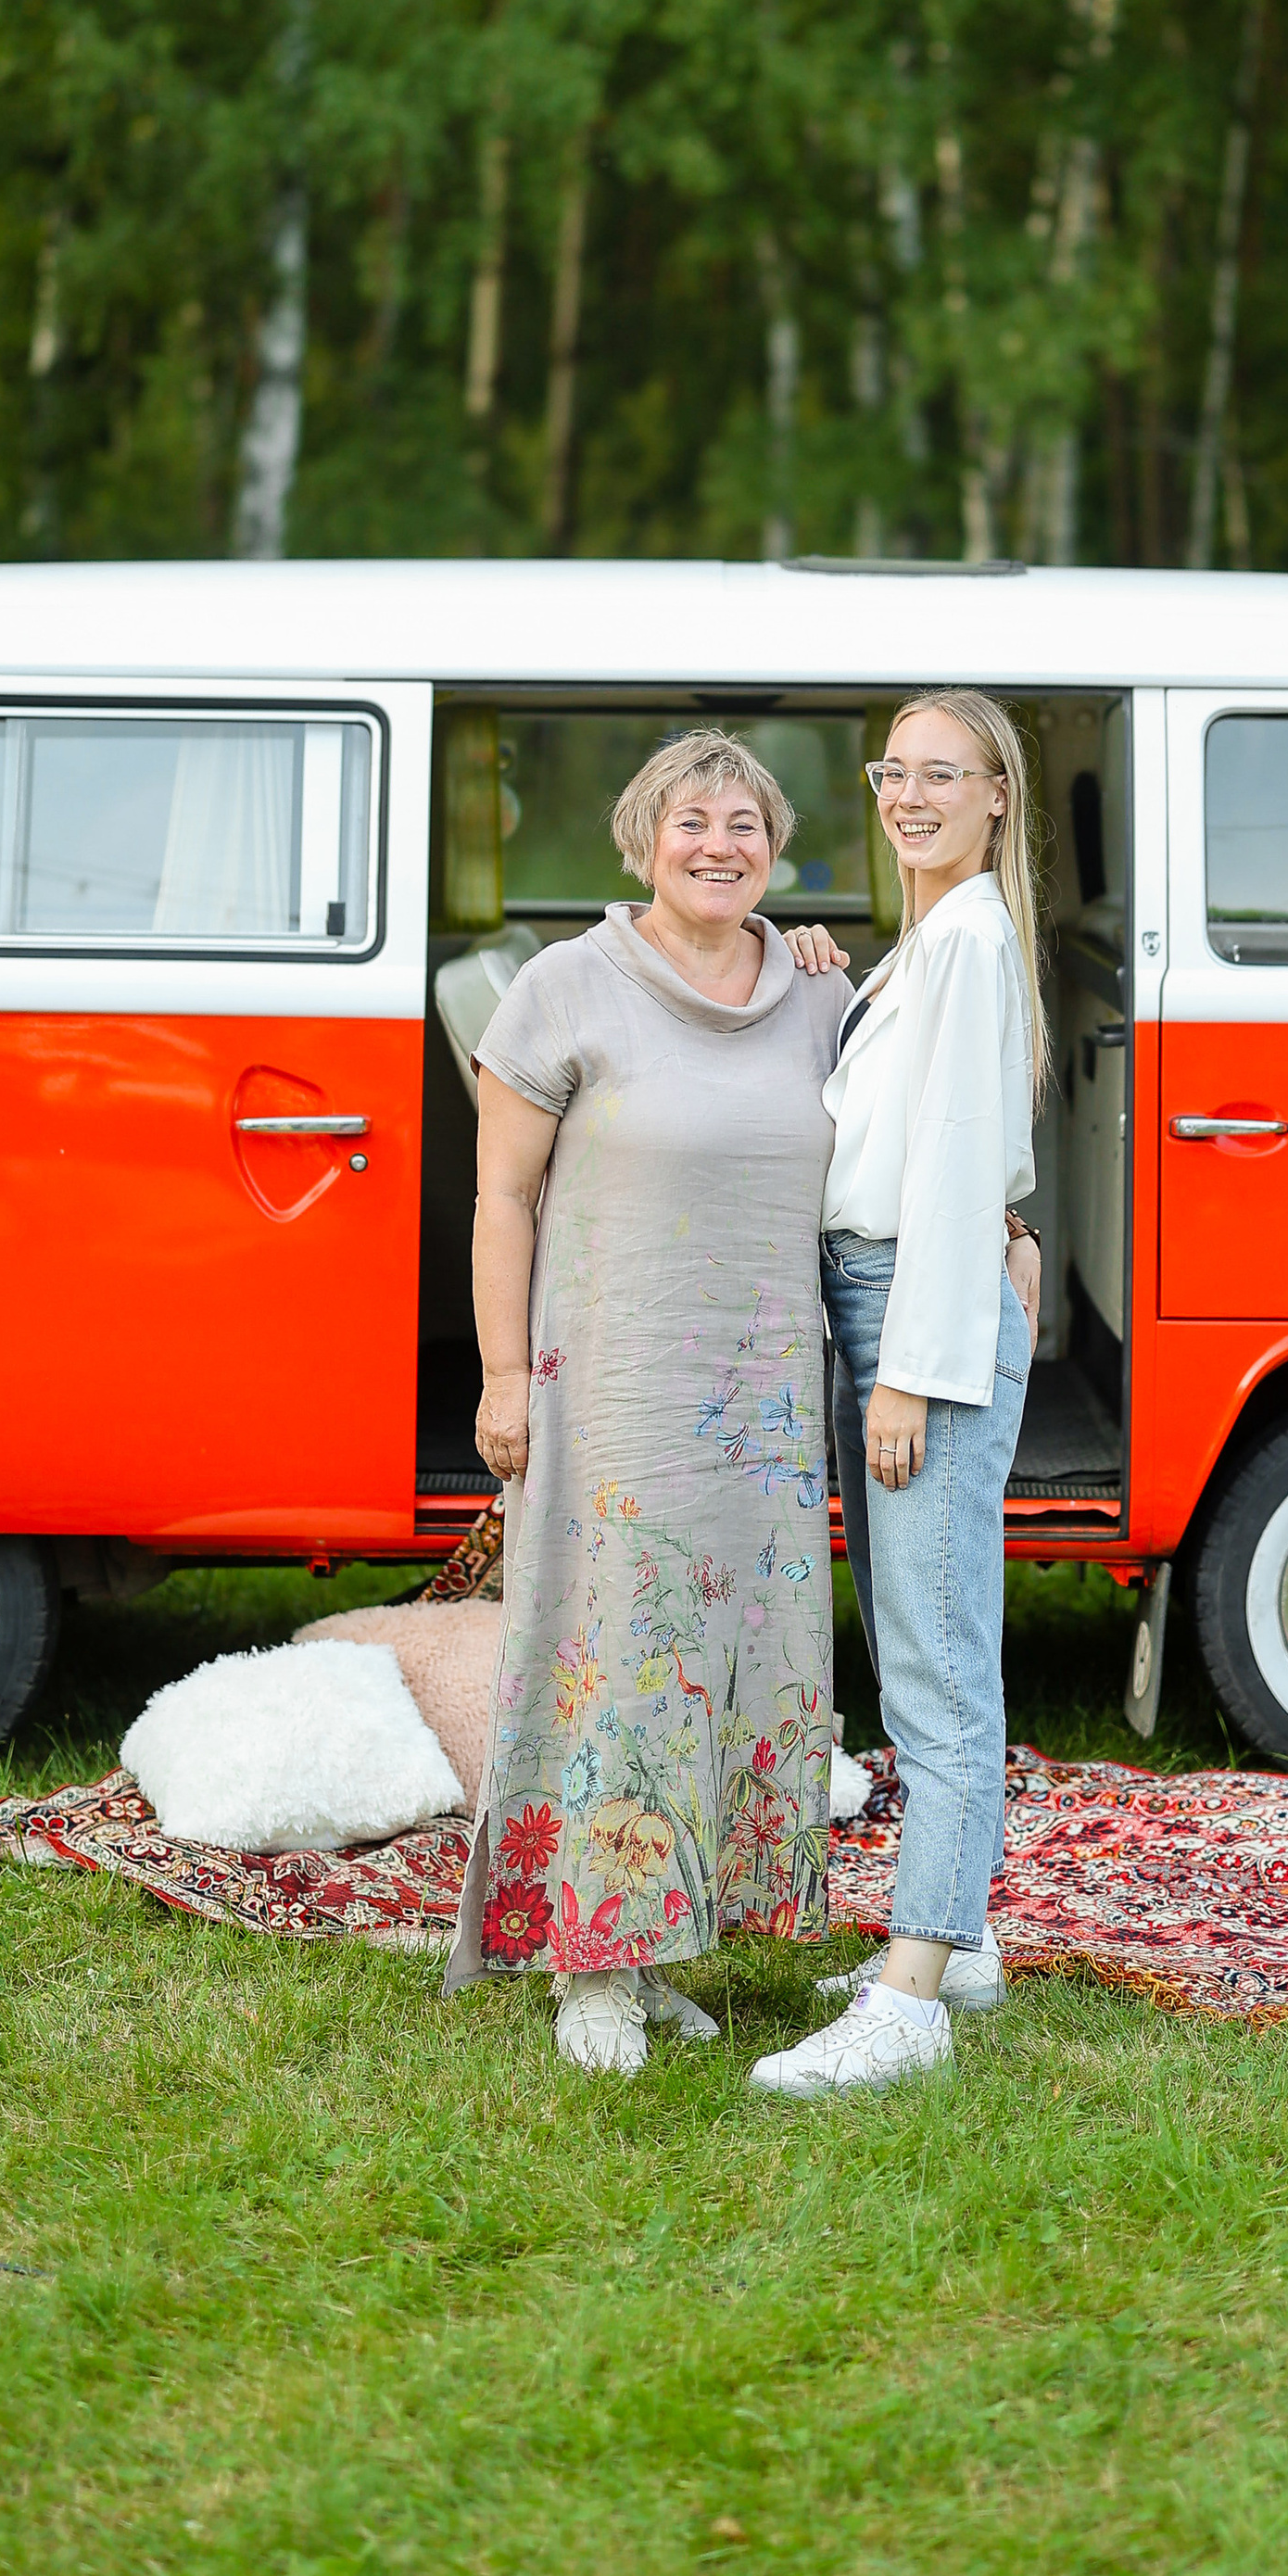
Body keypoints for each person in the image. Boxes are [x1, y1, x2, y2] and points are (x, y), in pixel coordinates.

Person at [443, 730, 854, 2071]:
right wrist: (503, 1374)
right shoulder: (567, 986)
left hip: (767, 1406)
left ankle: (671, 1935)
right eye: (693, 821)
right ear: (642, 839)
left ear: (776, 848)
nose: (720, 844)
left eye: (746, 822)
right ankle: (593, 1964)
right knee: (618, 1663)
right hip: (615, 1389)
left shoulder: (816, 996)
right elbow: (501, 1197)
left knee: (736, 1664)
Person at [751, 688, 1045, 2101]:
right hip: (892, 1294)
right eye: (893, 771)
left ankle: (912, 1995)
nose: (911, 794)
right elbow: (936, 1129)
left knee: (935, 1668)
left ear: (998, 794)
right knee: (924, 1641)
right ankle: (964, 1939)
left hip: (908, 1315)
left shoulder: (973, 935)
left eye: (945, 773)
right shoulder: (933, 943)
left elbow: (949, 1161)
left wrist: (915, 1376)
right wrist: (818, 968)